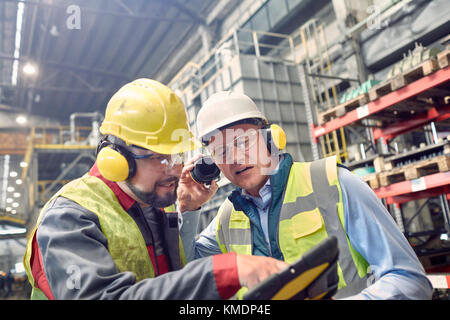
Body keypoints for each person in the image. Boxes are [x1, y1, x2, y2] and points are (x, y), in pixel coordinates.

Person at [23, 79, 287, 300]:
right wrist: (223, 272)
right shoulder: (68, 216)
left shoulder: (158, 203)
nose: (173, 169)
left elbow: (175, 282)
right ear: (116, 158)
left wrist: (187, 210)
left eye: (178, 155)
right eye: (159, 157)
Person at [181, 91, 434, 299]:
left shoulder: (333, 184)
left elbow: (409, 279)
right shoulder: (227, 218)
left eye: (243, 142)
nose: (234, 158)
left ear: (269, 138)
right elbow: (184, 275)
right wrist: (188, 210)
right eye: (221, 151)